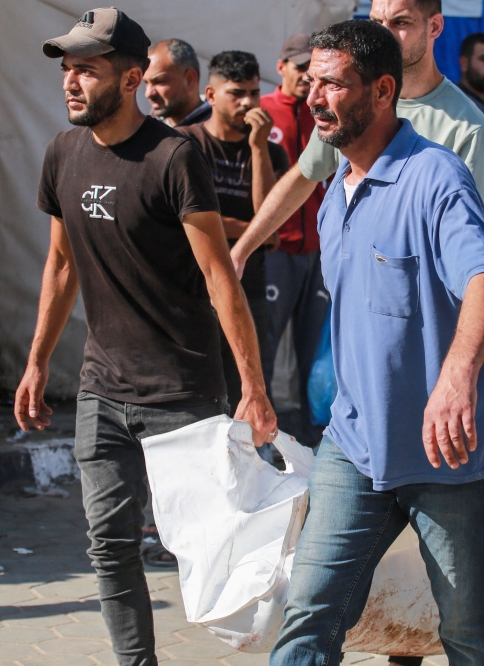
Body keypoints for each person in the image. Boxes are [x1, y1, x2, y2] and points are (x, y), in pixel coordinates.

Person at [16, 8, 276, 666]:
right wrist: (37, 363)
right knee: (109, 541)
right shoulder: (61, 153)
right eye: (68, 69)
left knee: (214, 542)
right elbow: (62, 263)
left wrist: (253, 388)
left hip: (182, 391)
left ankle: (294, 639)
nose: (71, 82)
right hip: (103, 388)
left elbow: (220, 277)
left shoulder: (171, 157)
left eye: (88, 70)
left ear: (131, 78)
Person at [269, 20, 484, 666]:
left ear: (383, 92)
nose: (314, 97)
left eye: (333, 84)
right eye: (311, 83)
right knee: (307, 614)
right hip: (354, 446)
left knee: (467, 629)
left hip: (449, 456)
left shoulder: (436, 177)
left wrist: (457, 377)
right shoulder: (335, 194)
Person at [230, 0, 484, 277]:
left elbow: (464, 248)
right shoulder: (350, 99)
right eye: (376, 22)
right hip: (349, 289)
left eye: (400, 22)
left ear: (434, 26)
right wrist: (241, 252)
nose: (383, 35)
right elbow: (304, 175)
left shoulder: (471, 130)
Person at [177, 51, 290, 413]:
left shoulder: (270, 152)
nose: (248, 103)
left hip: (248, 288)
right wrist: (251, 233)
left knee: (250, 389)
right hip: (190, 287)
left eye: (255, 93)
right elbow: (182, 218)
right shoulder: (183, 145)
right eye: (237, 93)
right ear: (210, 95)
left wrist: (258, 150)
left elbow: (270, 220)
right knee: (194, 390)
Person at [258, 34, 331, 442]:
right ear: (281, 66)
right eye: (301, 67)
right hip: (277, 252)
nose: (307, 77)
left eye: (315, 70)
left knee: (314, 355)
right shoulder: (262, 112)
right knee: (264, 347)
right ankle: (261, 436)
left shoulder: (325, 114)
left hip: (318, 253)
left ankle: (314, 441)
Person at [144, 38, 212, 126]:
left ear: (189, 80)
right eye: (146, 83)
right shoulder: (148, 128)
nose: (148, 94)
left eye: (160, 81)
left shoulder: (221, 132)